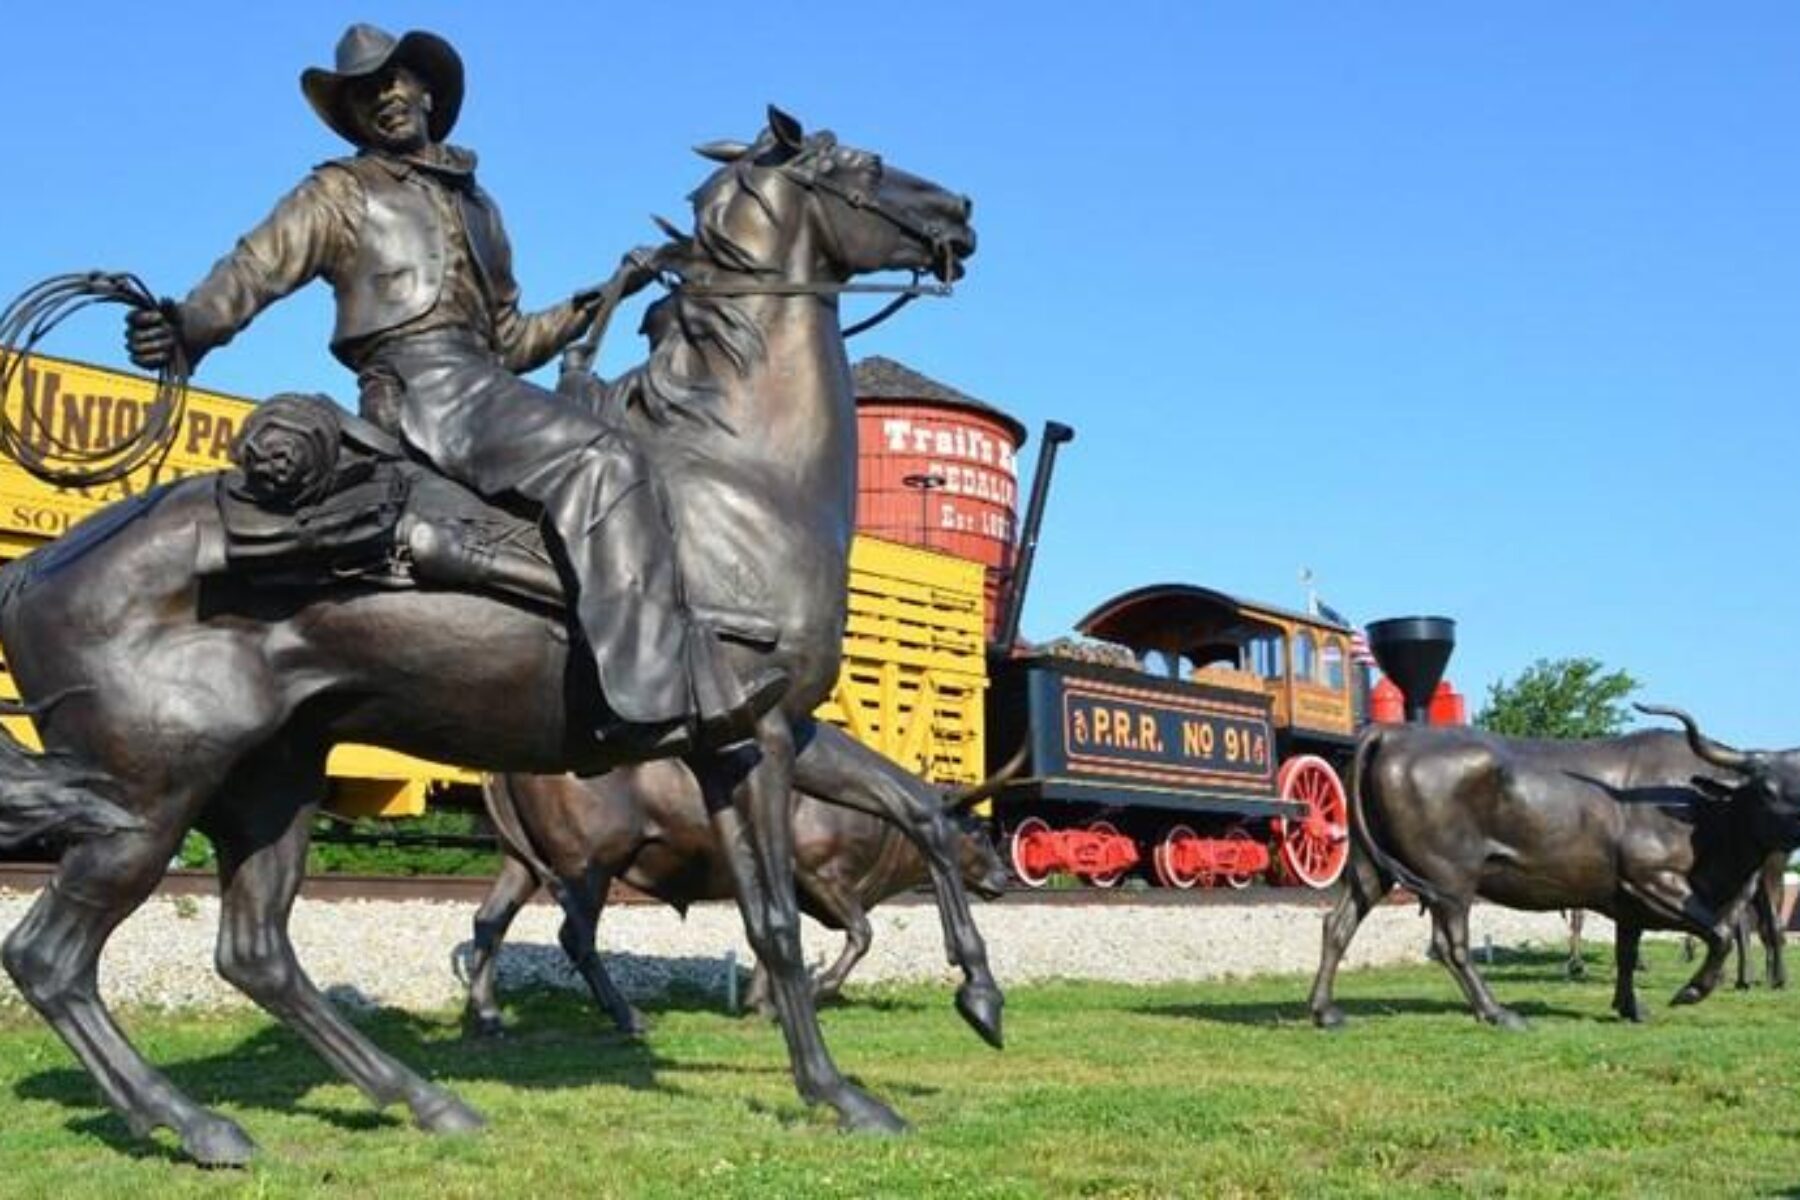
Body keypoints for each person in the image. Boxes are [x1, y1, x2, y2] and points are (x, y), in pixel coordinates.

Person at [126, 24, 785, 755]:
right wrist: (188, 326)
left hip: (480, 382)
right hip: (420, 388)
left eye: (393, 82)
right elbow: (253, 270)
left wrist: (597, 300)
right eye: (364, 93)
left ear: (426, 91)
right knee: (606, 461)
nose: (384, 100)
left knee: (629, 450)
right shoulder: (339, 193)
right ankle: (653, 699)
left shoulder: (480, 208)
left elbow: (508, 340)